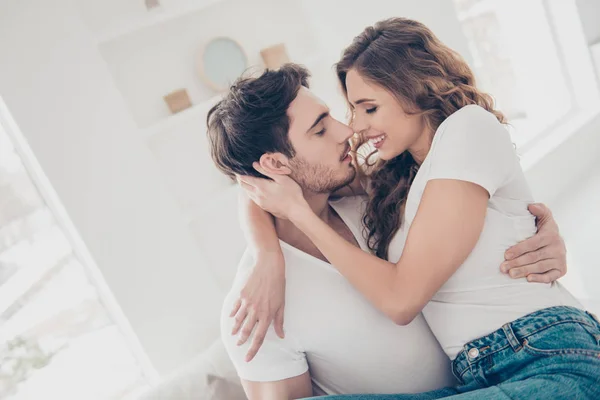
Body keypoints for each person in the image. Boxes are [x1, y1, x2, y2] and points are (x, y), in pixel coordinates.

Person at [236, 18, 600, 400]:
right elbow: (257, 181)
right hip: (481, 375)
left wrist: (301, 216)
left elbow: (401, 299)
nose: (355, 127)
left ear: (412, 90)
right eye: (353, 110)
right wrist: (267, 254)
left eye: (369, 108)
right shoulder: (395, 177)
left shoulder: (468, 128)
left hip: (549, 357)